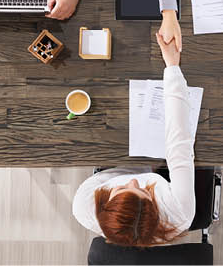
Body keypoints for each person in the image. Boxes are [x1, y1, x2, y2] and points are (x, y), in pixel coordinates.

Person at [71, 31, 194, 247]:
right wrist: (173, 67)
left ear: (104, 207)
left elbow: (111, 176)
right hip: (159, 165)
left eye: (121, 189)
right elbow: (179, 144)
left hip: (117, 167)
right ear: (155, 209)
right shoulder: (180, 212)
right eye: (144, 191)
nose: (135, 182)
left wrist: (133, 174)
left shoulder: (84, 206)